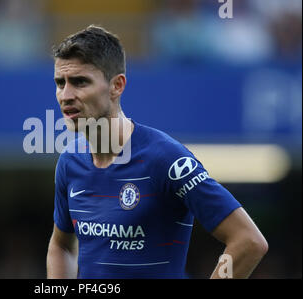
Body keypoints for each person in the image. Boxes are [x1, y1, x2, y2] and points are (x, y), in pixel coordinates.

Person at [46, 25, 268, 279]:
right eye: (60, 83)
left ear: (116, 86)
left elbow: (248, 241)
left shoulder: (166, 159)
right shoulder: (70, 162)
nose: (66, 95)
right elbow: (61, 245)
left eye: (80, 82)